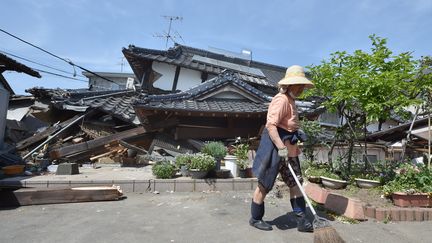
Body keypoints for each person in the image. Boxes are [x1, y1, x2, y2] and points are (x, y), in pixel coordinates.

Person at [249, 65, 314, 232]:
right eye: (298, 85)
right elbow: (271, 125)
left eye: (302, 85)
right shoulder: (281, 99)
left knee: (296, 183)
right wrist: (280, 147)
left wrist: (297, 132)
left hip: (289, 151)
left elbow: (288, 125)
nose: (301, 89)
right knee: (265, 184)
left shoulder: (291, 101)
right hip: (275, 150)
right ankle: (255, 218)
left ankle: (301, 220)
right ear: (290, 84)